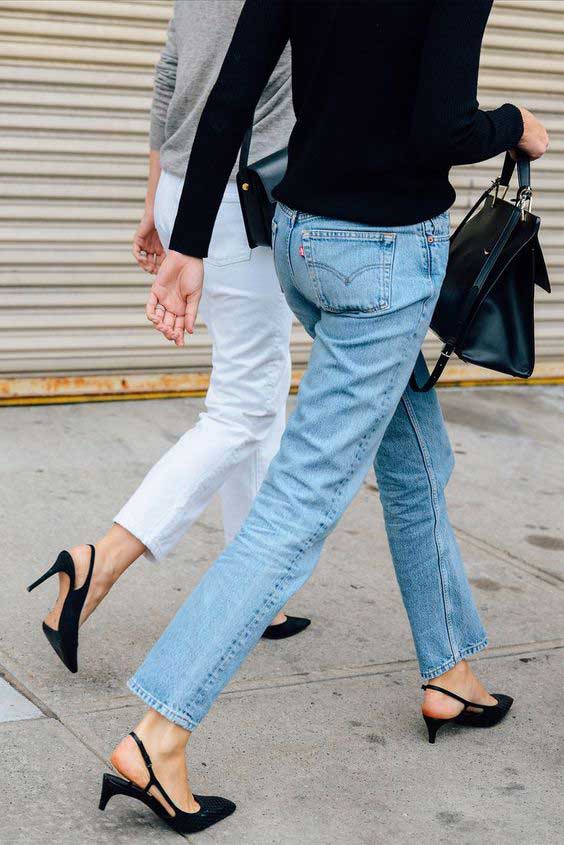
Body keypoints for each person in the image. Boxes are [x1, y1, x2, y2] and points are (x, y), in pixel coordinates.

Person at [39, 0, 550, 836]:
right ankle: (158, 731)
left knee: (415, 447)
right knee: (298, 507)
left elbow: (230, 95)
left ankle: (451, 666)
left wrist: (188, 245)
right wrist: (515, 123)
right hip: (383, 259)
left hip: (303, 242)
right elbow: (441, 126)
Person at [28, 0, 311, 680]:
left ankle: (260, 591)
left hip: (188, 189)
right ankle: (99, 560)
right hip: (235, 200)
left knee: (256, 392)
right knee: (242, 405)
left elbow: (168, 82)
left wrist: (158, 205)